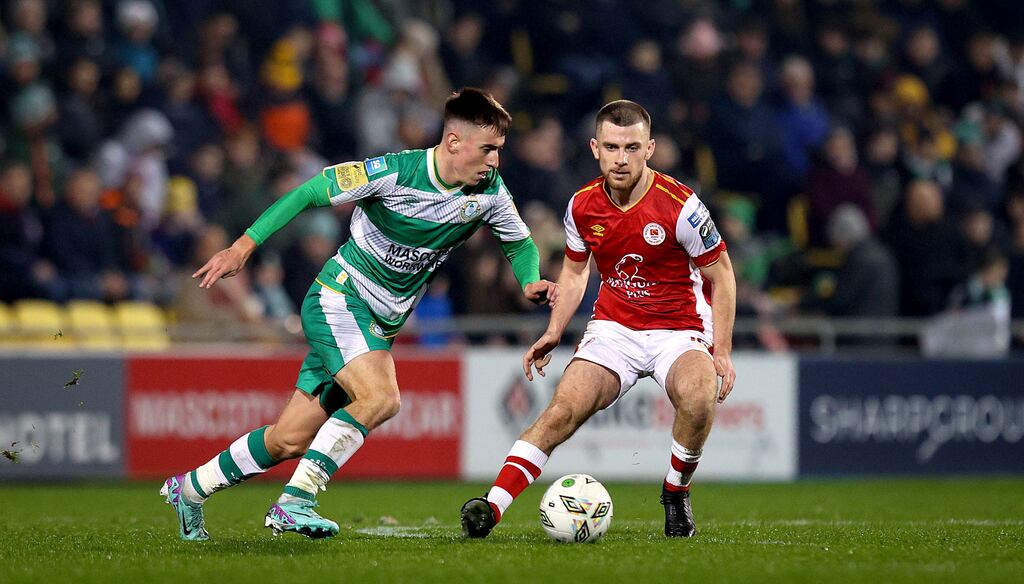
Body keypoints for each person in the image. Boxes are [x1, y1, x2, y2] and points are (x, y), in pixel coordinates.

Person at [160, 88, 557, 541]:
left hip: (376, 327)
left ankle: (190, 488)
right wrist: (243, 245)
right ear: (453, 142)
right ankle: (296, 500)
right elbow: (310, 191)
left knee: (287, 439)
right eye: (488, 149)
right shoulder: (394, 171)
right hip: (340, 298)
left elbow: (518, 241)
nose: (494, 162)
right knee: (381, 397)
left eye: (499, 151)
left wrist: (529, 280)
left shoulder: (489, 191)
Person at [461, 101, 737, 539]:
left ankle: (675, 491)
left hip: (679, 329)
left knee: (700, 398)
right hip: (614, 330)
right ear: (595, 148)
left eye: (631, 147)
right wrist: (553, 330)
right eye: (611, 146)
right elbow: (574, 271)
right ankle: (490, 507)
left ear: (650, 148)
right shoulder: (582, 206)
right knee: (562, 411)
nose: (621, 158)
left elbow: (722, 275)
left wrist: (721, 350)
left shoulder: (681, 206)